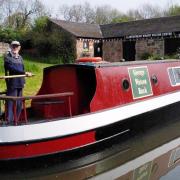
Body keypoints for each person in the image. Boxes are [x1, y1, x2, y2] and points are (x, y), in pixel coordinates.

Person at [4, 41, 32, 123]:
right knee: (11, 103)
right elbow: (12, 68)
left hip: (20, 83)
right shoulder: (7, 58)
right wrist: (24, 73)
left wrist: (24, 80)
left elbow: (22, 69)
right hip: (12, 84)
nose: (15, 48)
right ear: (11, 47)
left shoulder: (20, 58)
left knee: (19, 104)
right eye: (13, 46)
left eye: (16, 46)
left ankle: (16, 120)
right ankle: (9, 121)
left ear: (19, 48)